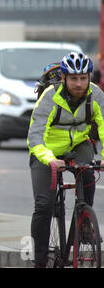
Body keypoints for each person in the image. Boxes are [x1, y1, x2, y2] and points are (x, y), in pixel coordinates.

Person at [28, 52, 104, 268]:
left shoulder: (96, 95)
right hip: (47, 148)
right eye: (73, 78)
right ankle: (40, 261)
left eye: (83, 78)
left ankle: (84, 221)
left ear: (89, 78)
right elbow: (35, 135)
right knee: (44, 205)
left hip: (78, 144)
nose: (79, 83)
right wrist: (49, 158)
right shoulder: (50, 97)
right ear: (64, 78)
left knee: (88, 173)